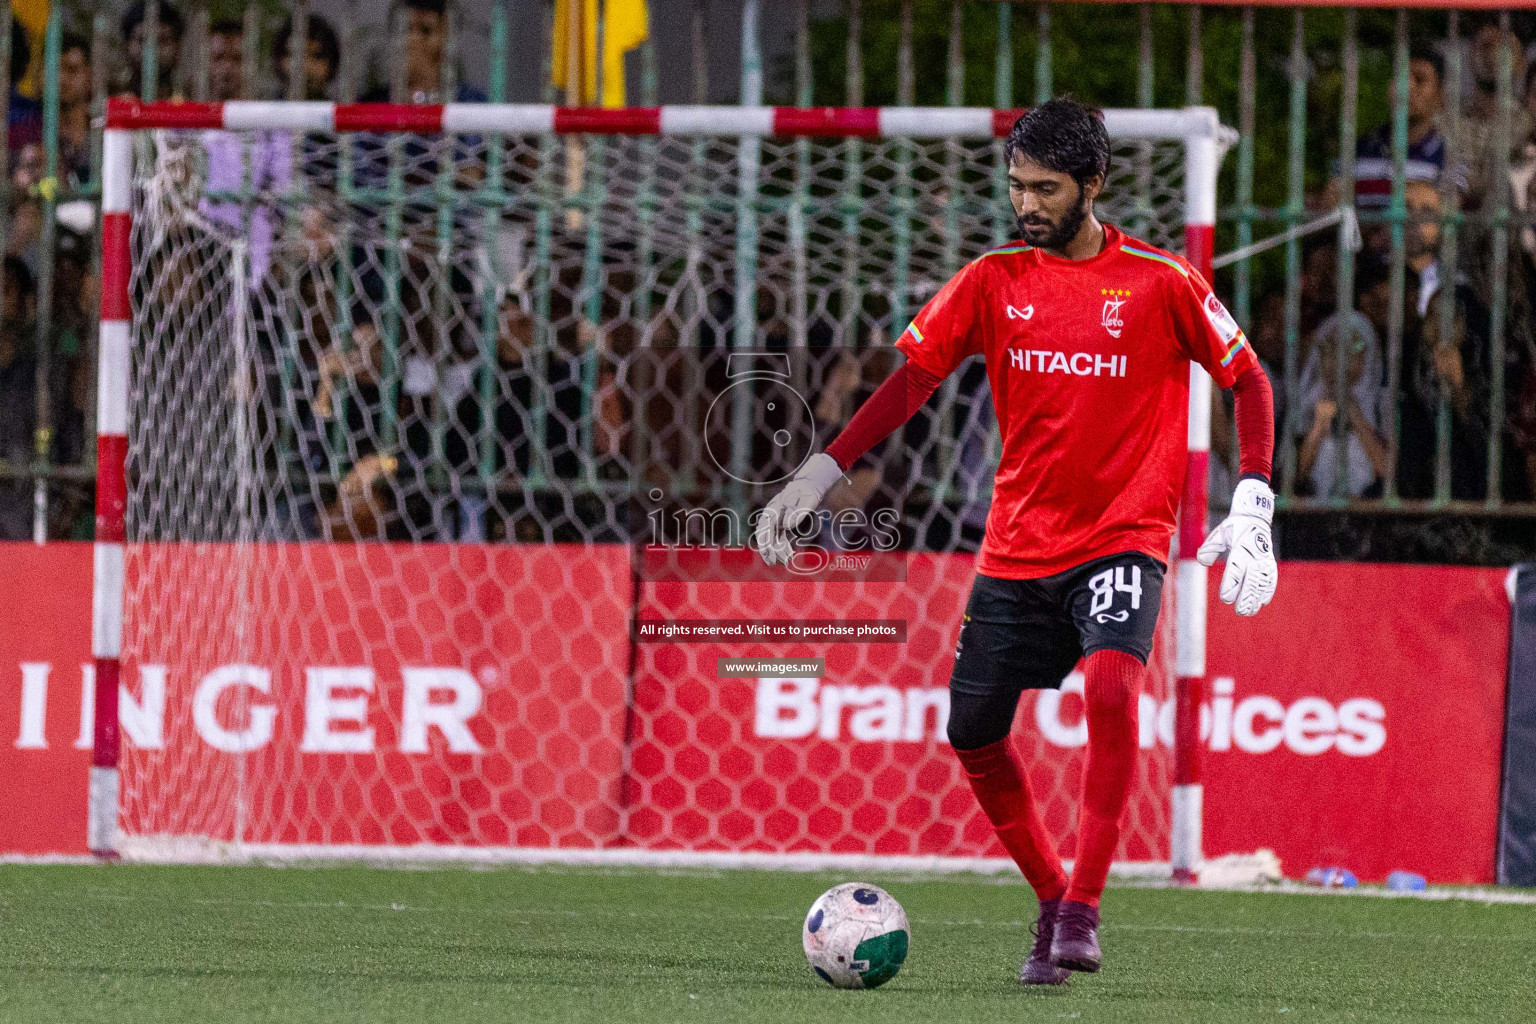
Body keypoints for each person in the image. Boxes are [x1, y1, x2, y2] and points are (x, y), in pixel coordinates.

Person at [755, 99, 1278, 983]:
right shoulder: (994, 279)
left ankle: (1083, 909)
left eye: (1045, 189)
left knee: (1112, 690)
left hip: (1122, 536)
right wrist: (818, 471)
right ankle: (1049, 895)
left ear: (1093, 186)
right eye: (1017, 187)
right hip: (1017, 546)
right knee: (972, 730)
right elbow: (912, 380)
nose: (1026, 205)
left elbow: (1248, 377)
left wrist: (1255, 497)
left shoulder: (1161, 280)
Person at [1295, 266, 1394, 499]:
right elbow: (1295, 476)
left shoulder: (1383, 402)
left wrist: (1356, 417)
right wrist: (1319, 427)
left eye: (1356, 347)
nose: (1344, 356)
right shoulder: (1304, 401)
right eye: (1334, 346)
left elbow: (1388, 471)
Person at [120, 1, 184, 100]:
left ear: (178, 48)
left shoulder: (190, 108)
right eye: (142, 40)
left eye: (163, 40)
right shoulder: (107, 109)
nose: (152, 51)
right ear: (126, 47)